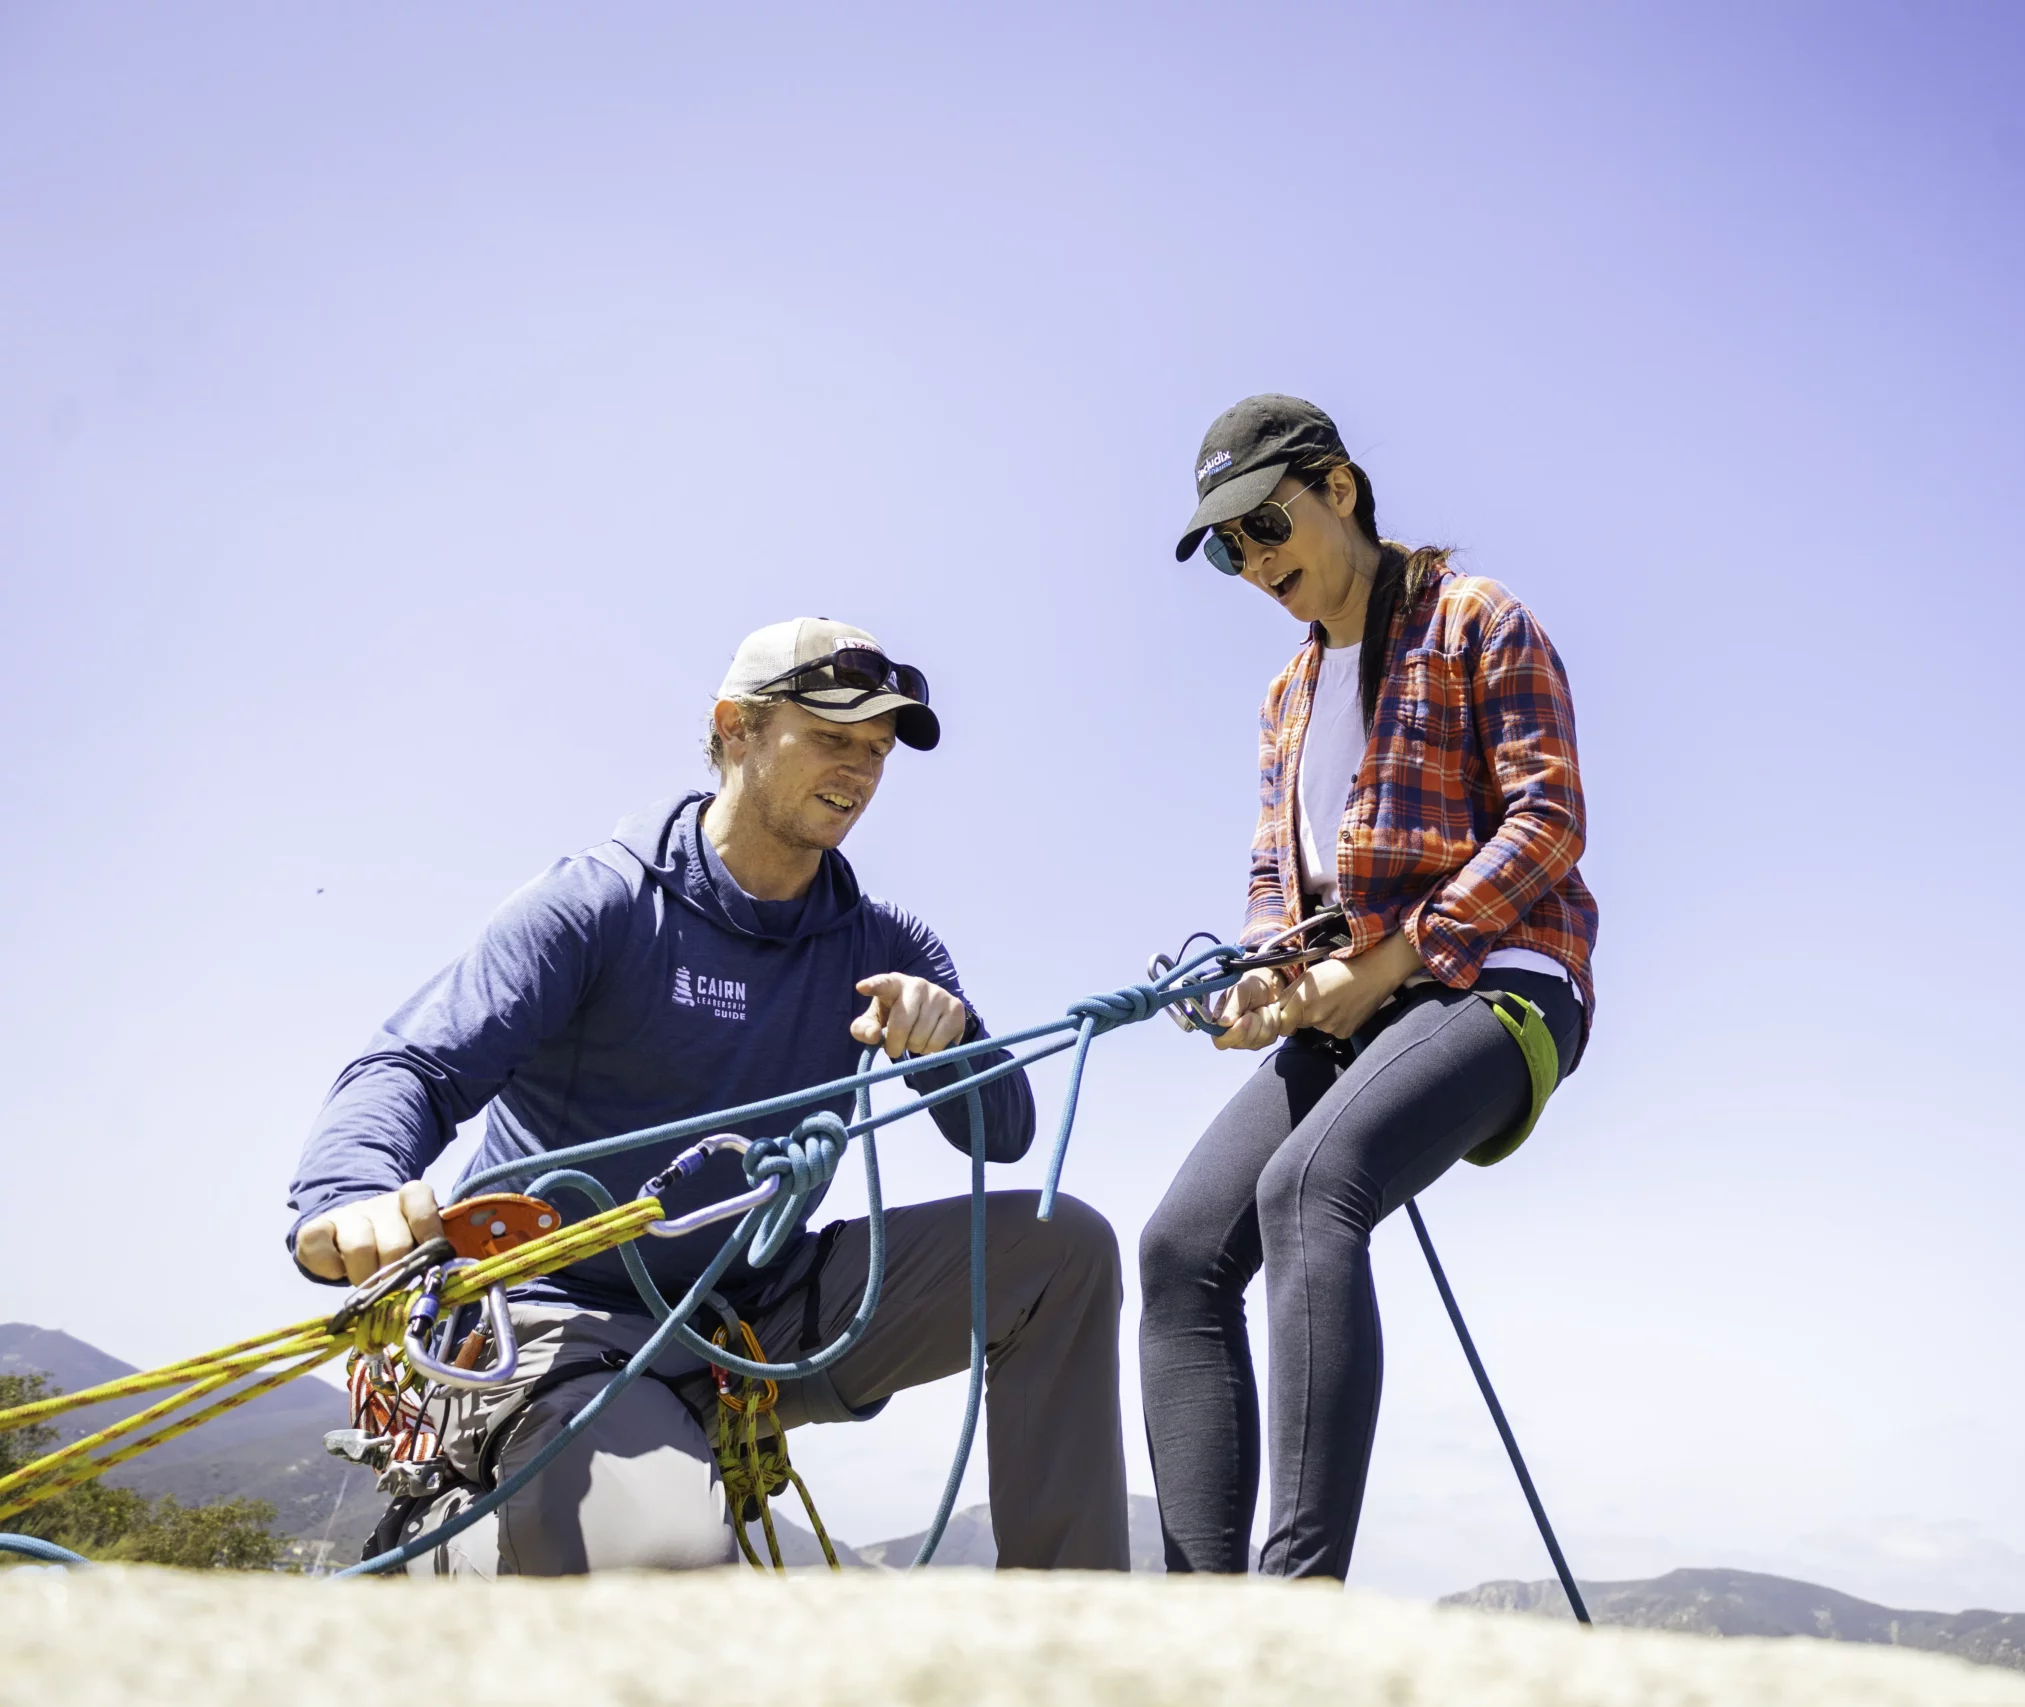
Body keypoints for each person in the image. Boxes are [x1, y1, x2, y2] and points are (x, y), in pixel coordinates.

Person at [286, 617, 1128, 1574]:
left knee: (1061, 1251)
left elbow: (1006, 1135)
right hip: (559, 1314)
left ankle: (1071, 1630)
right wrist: (347, 1196)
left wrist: (951, 1039)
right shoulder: (600, 904)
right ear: (736, 727)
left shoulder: (881, 941)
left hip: (759, 1304)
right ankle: (455, 1540)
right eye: (833, 737)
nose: (859, 770)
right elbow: (413, 1065)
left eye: (878, 751)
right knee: (671, 1561)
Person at [1139, 396, 1599, 1580]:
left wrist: (1395, 958)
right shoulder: (1285, 699)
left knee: (1310, 1185)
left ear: (1337, 488)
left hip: (1503, 982)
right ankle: (1196, 1617)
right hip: (1361, 1002)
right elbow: (1272, 879)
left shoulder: (1475, 619)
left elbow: (1549, 820)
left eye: (1265, 524)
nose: (1253, 561)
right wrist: (1263, 980)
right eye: (1228, 549)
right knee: (1179, 1251)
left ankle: (1296, 1611)